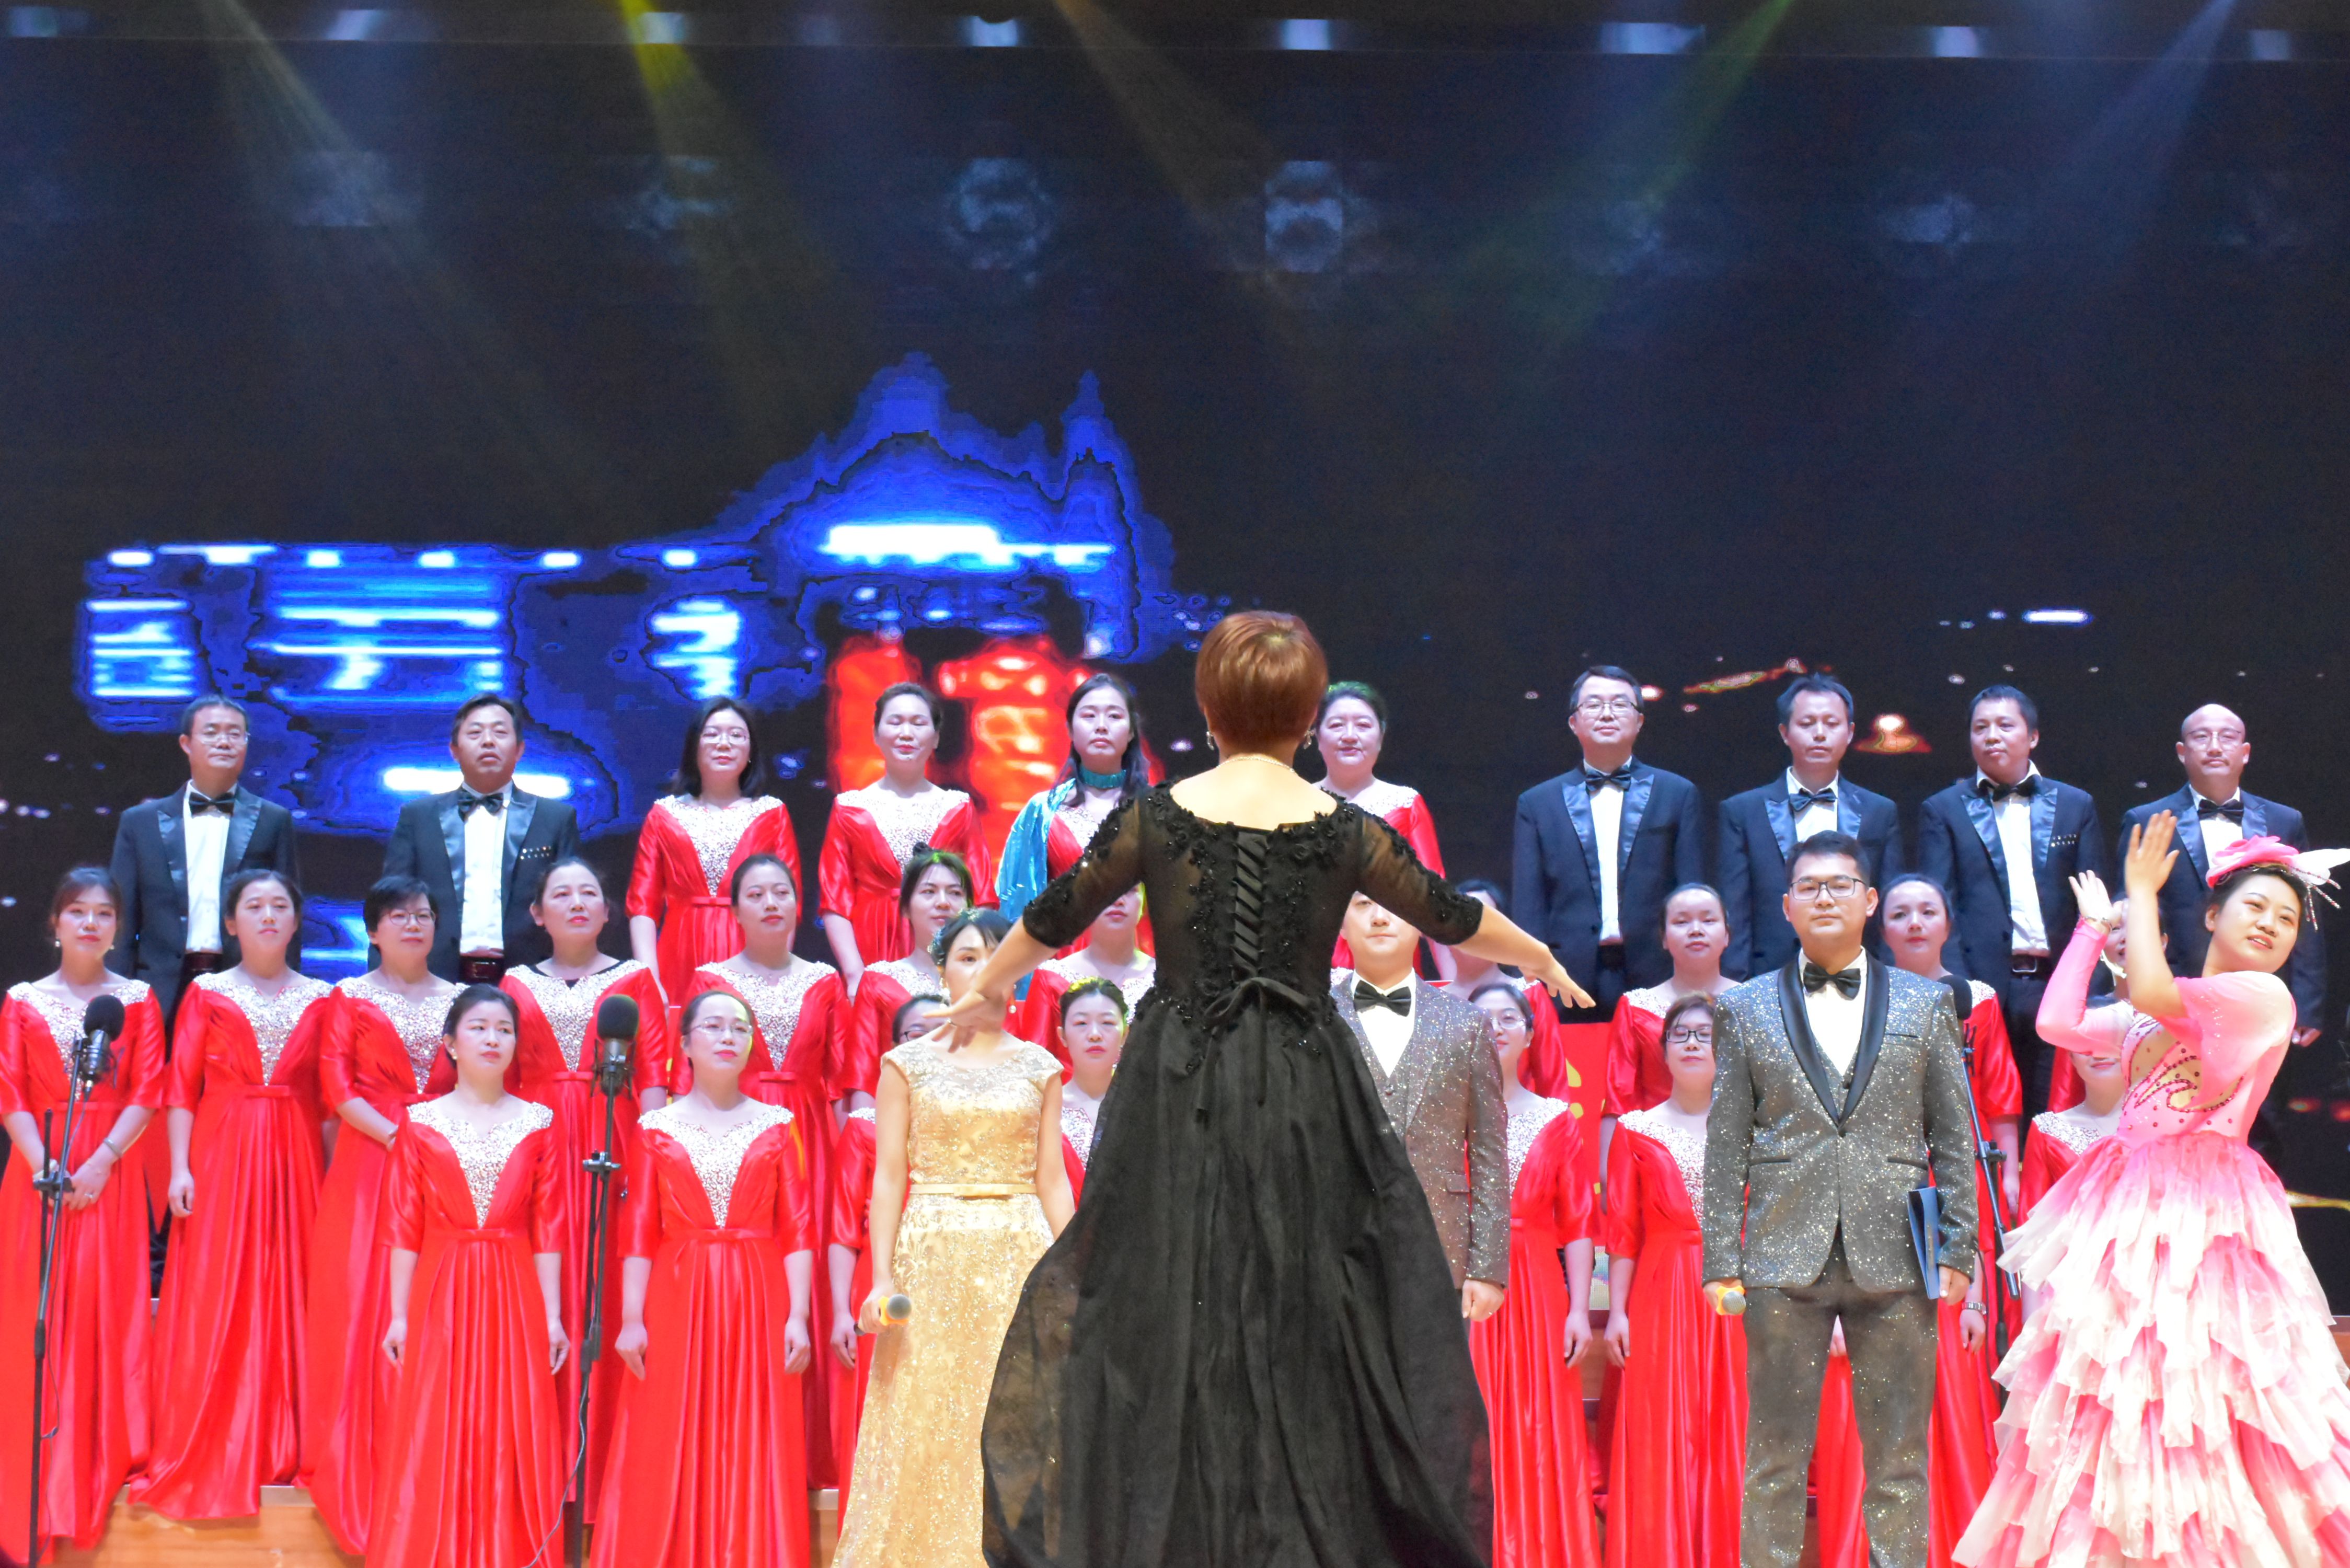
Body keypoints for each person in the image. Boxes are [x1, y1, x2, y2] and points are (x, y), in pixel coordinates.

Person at [957, 610, 1591, 1568]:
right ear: (1305, 718)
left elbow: (1055, 913)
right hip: (1304, 1083)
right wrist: (1537, 954)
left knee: (1166, 1297)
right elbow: (1451, 915)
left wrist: (986, 985)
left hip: (1180, 1082)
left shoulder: (1157, 815)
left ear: (1209, 710)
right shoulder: (1343, 827)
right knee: (1312, 1306)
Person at [1957, 820, 2350, 1566]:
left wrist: (2138, 895)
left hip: (2207, 1208)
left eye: (2286, 919)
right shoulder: (2164, 1005)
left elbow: (2150, 988)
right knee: (2124, 1385)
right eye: (2255, 907)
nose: (2270, 924)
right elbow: (2058, 1023)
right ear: (2212, 915)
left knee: (2209, 1384)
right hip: (2134, 1205)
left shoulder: (2263, 997)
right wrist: (2090, 930)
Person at [1702, 829, 1977, 1568]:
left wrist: (1959, 1246)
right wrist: (1720, 1259)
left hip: (1897, 1254)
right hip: (1780, 1254)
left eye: (1840, 884)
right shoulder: (1743, 1008)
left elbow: (1954, 1134)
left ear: (1870, 900)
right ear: (1787, 905)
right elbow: (1725, 1145)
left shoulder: (1927, 1003)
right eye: (1809, 887)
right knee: (1774, 1461)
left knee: (1899, 1462)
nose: (1824, 897)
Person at [833, 909, 1075, 1565]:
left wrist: (1079, 1269)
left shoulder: (1040, 1066)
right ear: (941, 972)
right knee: (925, 1413)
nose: (984, 970)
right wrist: (882, 1278)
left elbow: (1052, 1181)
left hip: (1018, 1254)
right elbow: (888, 1178)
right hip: (931, 1256)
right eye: (968, 957)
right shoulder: (904, 1065)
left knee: (1018, 1417)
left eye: (999, 957)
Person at [594, 989, 817, 1568]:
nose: (727, 1037)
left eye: (739, 1028)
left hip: (759, 1292)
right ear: (685, 1045)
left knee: (754, 1428)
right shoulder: (653, 1127)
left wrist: (798, 1315)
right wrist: (631, 1319)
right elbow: (638, 1232)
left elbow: (798, 1228)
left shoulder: (780, 1124)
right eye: (713, 1026)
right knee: (669, 1424)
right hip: (676, 1291)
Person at [137, 870, 335, 1521]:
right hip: (221, 1155)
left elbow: (329, 1103)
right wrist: (179, 1169)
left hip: (296, 1157)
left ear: (297, 921)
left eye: (281, 906)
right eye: (254, 906)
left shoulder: (324, 998)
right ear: (230, 923)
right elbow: (180, 1089)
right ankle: (216, 1436)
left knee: (293, 1288)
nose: (269, 915)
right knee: (218, 1285)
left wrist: (332, 1176)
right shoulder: (207, 993)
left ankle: (286, 1439)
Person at [369, 986, 567, 1568]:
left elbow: (549, 1228)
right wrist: (398, 1314)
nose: (492, 1039)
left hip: (514, 1285)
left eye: (504, 1030)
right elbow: (402, 1226)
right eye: (478, 1028)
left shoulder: (541, 1123)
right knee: (436, 1419)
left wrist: (553, 1315)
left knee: (511, 1419)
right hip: (442, 1283)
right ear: (451, 1044)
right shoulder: (418, 1123)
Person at [0, 869, 166, 1560]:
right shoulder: (21, 1001)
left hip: (111, 1177)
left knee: (105, 1314)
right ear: (55, 923)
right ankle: (31, 1492)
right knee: (37, 1320)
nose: (91, 924)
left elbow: (149, 1090)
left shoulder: (139, 1001)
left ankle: (98, 1472)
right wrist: (44, 1164)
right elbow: (10, 1091)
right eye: (78, 912)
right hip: (36, 1173)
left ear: (118, 927)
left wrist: (99, 1164)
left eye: (104, 913)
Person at [500, 856, 671, 1512]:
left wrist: (651, 1158)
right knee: (540, 1288)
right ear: (537, 913)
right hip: (538, 1144)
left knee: (610, 1286)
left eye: (590, 893)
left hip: (616, 1141)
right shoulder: (515, 985)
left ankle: (606, 1479)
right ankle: (539, 1477)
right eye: (561, 894)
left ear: (607, 912)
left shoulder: (635, 981)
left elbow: (652, 1078)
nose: (577, 902)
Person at [306, 877, 460, 1556]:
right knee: (363, 1301)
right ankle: (360, 1457)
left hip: (446, 1165)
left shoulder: (462, 1000)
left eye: (423, 915)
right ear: (372, 931)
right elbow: (336, 1088)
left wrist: (437, 1145)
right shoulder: (348, 997)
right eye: (398, 916)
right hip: (372, 1161)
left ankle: (431, 1452)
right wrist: (402, 1138)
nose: (413, 925)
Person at [685, 852, 846, 1487]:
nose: (771, 903)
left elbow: (839, 1083)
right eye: (756, 894)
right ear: (735, 910)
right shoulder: (709, 980)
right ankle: (734, 1448)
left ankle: (809, 1455)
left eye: (782, 892)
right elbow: (689, 1079)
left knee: (807, 1278)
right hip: (736, 1140)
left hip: (811, 1142)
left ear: (798, 904)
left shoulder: (825, 981)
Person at [1915, 685, 2109, 1119]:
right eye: (1980, 727)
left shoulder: (2075, 805)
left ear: (2033, 736)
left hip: (2058, 984)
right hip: (1981, 987)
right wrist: (1960, 989)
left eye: (2005, 725)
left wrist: (2090, 985)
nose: (1991, 736)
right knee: (1989, 1116)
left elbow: (2095, 907)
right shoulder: (1943, 810)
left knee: (2056, 1113)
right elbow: (1939, 908)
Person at [1603, 992, 1745, 1568]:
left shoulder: (1756, 1128)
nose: (1691, 1043)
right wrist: (1616, 1312)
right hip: (1662, 1292)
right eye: (1680, 1034)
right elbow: (1622, 1232)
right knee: (1662, 1429)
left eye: (1705, 1034)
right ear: (1662, 1051)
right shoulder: (1634, 1130)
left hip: (1738, 1292)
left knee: (1732, 1426)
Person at [1466, 979, 1597, 1568]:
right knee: (1470, 1422)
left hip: (1538, 1285)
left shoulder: (1556, 1120)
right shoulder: (1443, 1113)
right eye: (1483, 1019)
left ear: (1529, 1034)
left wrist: (1578, 1310)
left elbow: (1578, 1223)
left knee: (1540, 1423)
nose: (1496, 1028)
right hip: (1463, 1282)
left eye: (1508, 1019)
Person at [1332, 894, 1509, 1295]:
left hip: (1443, 1254)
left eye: (1393, 903)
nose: (1380, 918)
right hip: (1335, 1260)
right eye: (1363, 904)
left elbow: (1490, 1153)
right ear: (1340, 923)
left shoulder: (1467, 1025)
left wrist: (1487, 1269)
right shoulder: (1312, 1022)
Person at [1513, 665, 1706, 1022]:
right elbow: (1529, 904)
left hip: (1658, 972)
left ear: (1640, 721)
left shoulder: (1677, 794)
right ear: (1574, 722)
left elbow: (1690, 894)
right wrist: (1530, 983)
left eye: (1620, 704)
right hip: (1563, 977)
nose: (1606, 714)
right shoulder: (1538, 804)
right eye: (1593, 704)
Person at [107, 695, 303, 1023]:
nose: (224, 742)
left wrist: (286, 999)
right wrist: (118, 999)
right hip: (159, 990)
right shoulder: (140, 823)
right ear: (186, 743)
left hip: (246, 987)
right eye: (211, 733)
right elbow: (122, 921)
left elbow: (289, 918)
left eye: (235, 734)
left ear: (246, 743)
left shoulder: (273, 820)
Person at [825, 993, 936, 1519]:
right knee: (883, 1406)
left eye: (940, 1032)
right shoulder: (865, 1126)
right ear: (894, 1048)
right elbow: (843, 1231)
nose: (928, 1043)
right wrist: (839, 1312)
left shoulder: (970, 1121)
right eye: (914, 1034)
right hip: (880, 1280)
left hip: (949, 1269)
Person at [383, 693, 582, 983]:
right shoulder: (418, 817)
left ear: (520, 749)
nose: (488, 741)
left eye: (500, 732)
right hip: (432, 978)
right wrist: (383, 980)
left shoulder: (555, 819)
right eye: (475, 733)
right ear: (454, 750)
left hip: (531, 981)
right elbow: (390, 905)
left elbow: (571, 909)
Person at [1716, 675, 1903, 981]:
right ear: (1785, 733)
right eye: (1807, 723)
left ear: (1850, 733)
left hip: (1861, 975)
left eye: (1831, 723)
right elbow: (1735, 911)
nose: (1819, 734)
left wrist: (1890, 981)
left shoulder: (1879, 812)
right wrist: (1737, 985)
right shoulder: (1742, 812)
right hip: (1769, 974)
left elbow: (1888, 910)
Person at [627, 697, 804, 1006]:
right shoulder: (663, 815)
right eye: (712, 734)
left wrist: (775, 973)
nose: (724, 744)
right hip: (677, 955)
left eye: (737, 735)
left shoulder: (772, 814)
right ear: (693, 746)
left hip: (751, 954)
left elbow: (788, 905)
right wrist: (650, 979)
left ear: (751, 751)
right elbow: (643, 906)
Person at [817, 683, 993, 989]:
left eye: (919, 723)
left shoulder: (959, 808)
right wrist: (856, 975)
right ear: (876, 734)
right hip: (870, 947)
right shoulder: (849, 809)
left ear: (936, 738)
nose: (907, 734)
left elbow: (981, 896)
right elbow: (835, 900)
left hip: (944, 952)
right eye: (895, 722)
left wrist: (970, 963)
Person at [996, 673, 1150, 940]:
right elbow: (1016, 909)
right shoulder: (1043, 812)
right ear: (1069, 729)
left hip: (1140, 960)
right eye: (1089, 716)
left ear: (1131, 731)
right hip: (1059, 962)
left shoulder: (1156, 810)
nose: (1101, 726)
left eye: (1114, 716)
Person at [1317, 681, 1452, 980]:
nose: (1349, 736)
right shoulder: (1296, 803)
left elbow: (1435, 898)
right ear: (1316, 735)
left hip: (1392, 963)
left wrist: (1454, 987)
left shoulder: (1406, 803)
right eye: (1337, 725)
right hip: (1313, 969)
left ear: (1381, 735)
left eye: (1363, 725)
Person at [1601, 883, 1734, 1143]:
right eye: (1682, 922)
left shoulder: (1755, 1002)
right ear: (1664, 938)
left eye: (1708, 920)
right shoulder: (1636, 1008)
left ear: (1727, 935)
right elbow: (1618, 1099)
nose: (1696, 930)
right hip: (1654, 1149)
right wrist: (1610, 1165)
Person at [839, 848, 972, 1102]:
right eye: (929, 892)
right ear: (906, 908)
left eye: (955, 893)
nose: (943, 903)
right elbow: (862, 1079)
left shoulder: (990, 982)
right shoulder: (878, 982)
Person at [1446, 879, 1572, 1100]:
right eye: (1462, 919)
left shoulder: (1530, 994)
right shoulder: (1426, 999)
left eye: (1484, 920)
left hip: (1520, 1119)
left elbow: (1555, 1087)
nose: (1473, 930)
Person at [1012, 889, 1155, 1063]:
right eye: (1108, 887)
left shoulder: (1167, 978)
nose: (1118, 900)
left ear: (1145, 899)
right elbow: (1035, 1065)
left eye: (1130, 890)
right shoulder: (1050, 978)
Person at [1056, 977, 1127, 1191]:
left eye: (1107, 1023)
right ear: (1062, 1036)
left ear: (1125, 1034)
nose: (1095, 1035)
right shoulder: (1047, 1108)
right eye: (1081, 1024)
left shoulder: (1147, 1104)